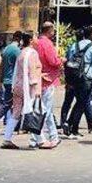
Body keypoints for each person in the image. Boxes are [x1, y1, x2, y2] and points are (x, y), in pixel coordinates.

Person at [0, 31, 39, 149]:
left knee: (16, 112)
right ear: (31, 40)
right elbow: (32, 71)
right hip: (27, 87)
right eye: (35, 37)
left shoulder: (21, 53)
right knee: (33, 112)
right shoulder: (32, 53)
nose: (37, 39)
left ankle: (7, 138)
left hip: (17, 85)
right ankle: (40, 139)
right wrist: (35, 88)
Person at [30, 21, 62, 149]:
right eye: (53, 31)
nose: (53, 33)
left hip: (38, 79)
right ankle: (53, 136)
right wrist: (61, 60)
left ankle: (34, 138)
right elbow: (53, 61)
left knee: (38, 109)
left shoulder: (36, 43)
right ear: (49, 30)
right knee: (46, 110)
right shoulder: (47, 43)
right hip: (48, 80)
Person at [64, 25, 92, 137]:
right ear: (91, 35)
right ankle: (90, 124)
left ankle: (72, 127)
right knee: (84, 102)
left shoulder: (74, 45)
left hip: (73, 77)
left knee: (80, 103)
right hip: (86, 78)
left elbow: (68, 61)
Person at [0, 31, 21, 136]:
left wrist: (0, 80)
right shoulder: (17, 51)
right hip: (13, 81)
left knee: (8, 103)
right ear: (19, 40)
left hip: (6, 80)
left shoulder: (6, 49)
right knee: (9, 103)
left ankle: (16, 125)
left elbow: (2, 66)